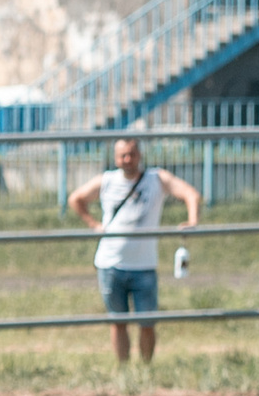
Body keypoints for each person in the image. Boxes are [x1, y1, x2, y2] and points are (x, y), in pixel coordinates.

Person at [67, 136, 202, 364]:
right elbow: (76, 199)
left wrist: (192, 220)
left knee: (147, 323)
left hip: (144, 265)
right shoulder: (107, 181)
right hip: (110, 263)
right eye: (123, 155)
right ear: (115, 158)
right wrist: (93, 224)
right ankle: (124, 370)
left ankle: (146, 369)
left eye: (132, 154)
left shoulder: (156, 179)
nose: (128, 159)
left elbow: (191, 194)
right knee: (117, 322)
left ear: (140, 156)